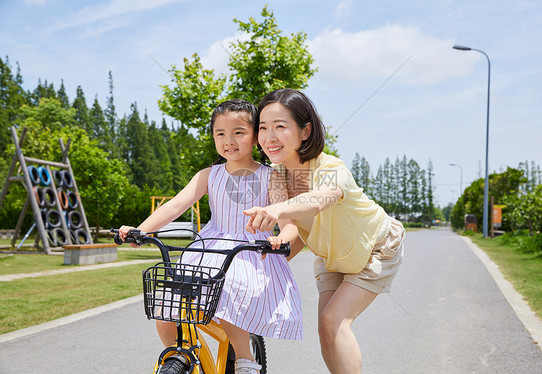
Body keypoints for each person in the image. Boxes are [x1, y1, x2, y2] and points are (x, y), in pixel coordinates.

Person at [119, 99, 302, 374]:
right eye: (220, 133)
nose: (229, 140)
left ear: (255, 137)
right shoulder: (209, 174)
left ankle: (245, 360)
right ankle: (176, 355)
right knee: (167, 304)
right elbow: (175, 205)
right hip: (208, 248)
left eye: (238, 132)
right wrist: (142, 229)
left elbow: (289, 221)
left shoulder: (270, 177)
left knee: (228, 298)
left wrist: (281, 239)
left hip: (250, 251)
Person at [243, 89, 405, 374]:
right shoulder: (278, 175)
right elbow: (295, 232)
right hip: (333, 255)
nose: (269, 137)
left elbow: (319, 200)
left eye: (280, 126)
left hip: (374, 248)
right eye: (263, 128)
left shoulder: (330, 167)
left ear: (305, 131)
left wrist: (277, 211)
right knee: (324, 328)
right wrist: (262, 265)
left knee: (335, 321)